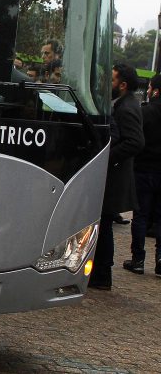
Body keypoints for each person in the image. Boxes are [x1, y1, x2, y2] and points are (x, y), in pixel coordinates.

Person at [90, 64, 145, 289]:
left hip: (115, 176)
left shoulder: (126, 107)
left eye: (111, 80)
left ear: (122, 85)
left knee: (104, 225)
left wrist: (108, 157)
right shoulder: (124, 103)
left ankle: (102, 274)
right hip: (115, 174)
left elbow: (135, 141)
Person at [122, 74, 161, 275]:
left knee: (141, 216)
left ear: (155, 90)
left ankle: (138, 259)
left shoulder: (146, 112)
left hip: (144, 169)